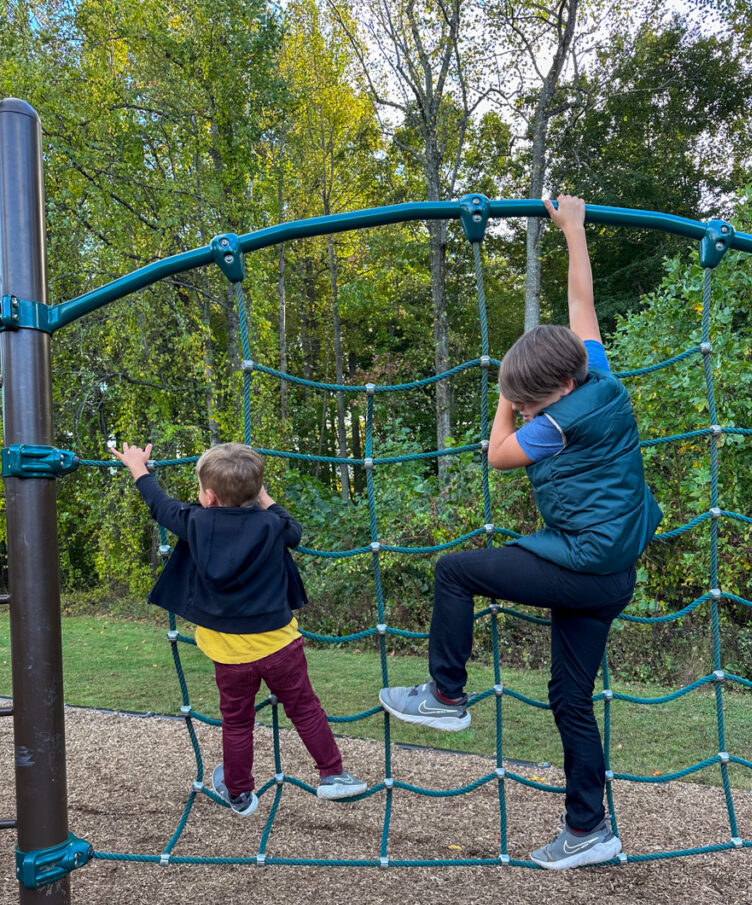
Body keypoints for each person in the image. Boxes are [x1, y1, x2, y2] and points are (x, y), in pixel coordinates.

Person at [379, 195, 661, 869]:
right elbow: (582, 308)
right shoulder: (598, 375)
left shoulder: (558, 420)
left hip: (582, 564)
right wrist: (573, 232)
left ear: (558, 390)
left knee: (456, 570)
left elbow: (497, 454)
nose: (524, 412)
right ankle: (589, 831)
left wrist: (506, 401)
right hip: (611, 575)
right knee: (570, 700)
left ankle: (447, 694)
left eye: (530, 402)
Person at [110, 441, 367, 816]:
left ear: (209, 496)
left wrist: (138, 467)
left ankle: (239, 794)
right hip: (280, 645)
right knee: (306, 708)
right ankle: (333, 775)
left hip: (228, 654)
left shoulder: (194, 521)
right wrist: (263, 496)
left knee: (237, 722)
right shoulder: (272, 524)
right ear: (256, 492)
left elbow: (159, 504)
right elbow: (294, 530)